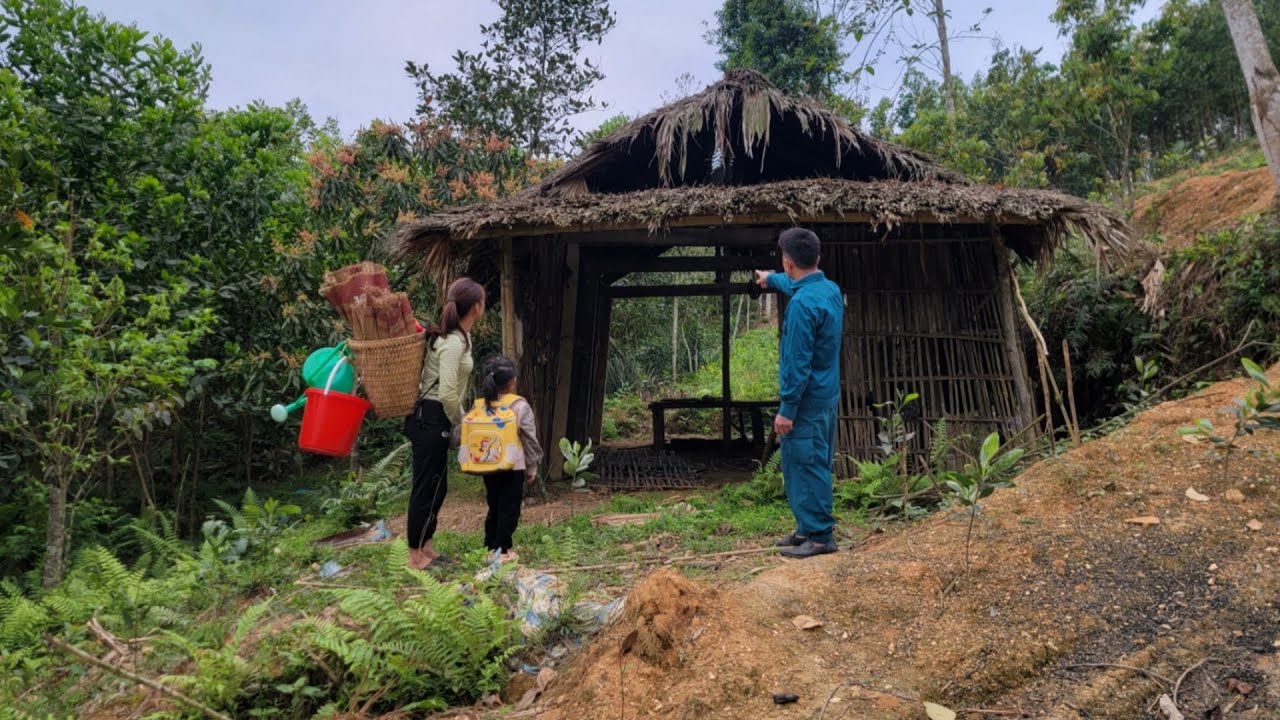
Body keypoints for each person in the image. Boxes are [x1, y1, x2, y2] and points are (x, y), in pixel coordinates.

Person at [754, 227, 844, 559]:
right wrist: (771, 278)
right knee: (807, 458)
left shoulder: (802, 306)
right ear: (817, 259)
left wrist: (787, 408)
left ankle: (820, 536)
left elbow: (797, 363)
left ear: (788, 262)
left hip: (804, 399)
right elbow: (796, 283)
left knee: (807, 462)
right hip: (825, 394)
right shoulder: (829, 290)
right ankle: (807, 527)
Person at [405, 277, 485, 570]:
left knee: (438, 486)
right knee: (426, 486)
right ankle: (414, 556)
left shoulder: (461, 337)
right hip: (431, 416)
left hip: (436, 415)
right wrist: (463, 422)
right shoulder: (452, 342)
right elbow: (448, 392)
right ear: (476, 307)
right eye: (483, 300)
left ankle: (426, 546)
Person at [472, 355, 542, 563]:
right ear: (512, 381)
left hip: (488, 465)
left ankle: (489, 546)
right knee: (509, 509)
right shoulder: (519, 406)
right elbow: (529, 438)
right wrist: (533, 465)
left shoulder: (482, 406)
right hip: (513, 466)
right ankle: (503, 550)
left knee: (494, 505)